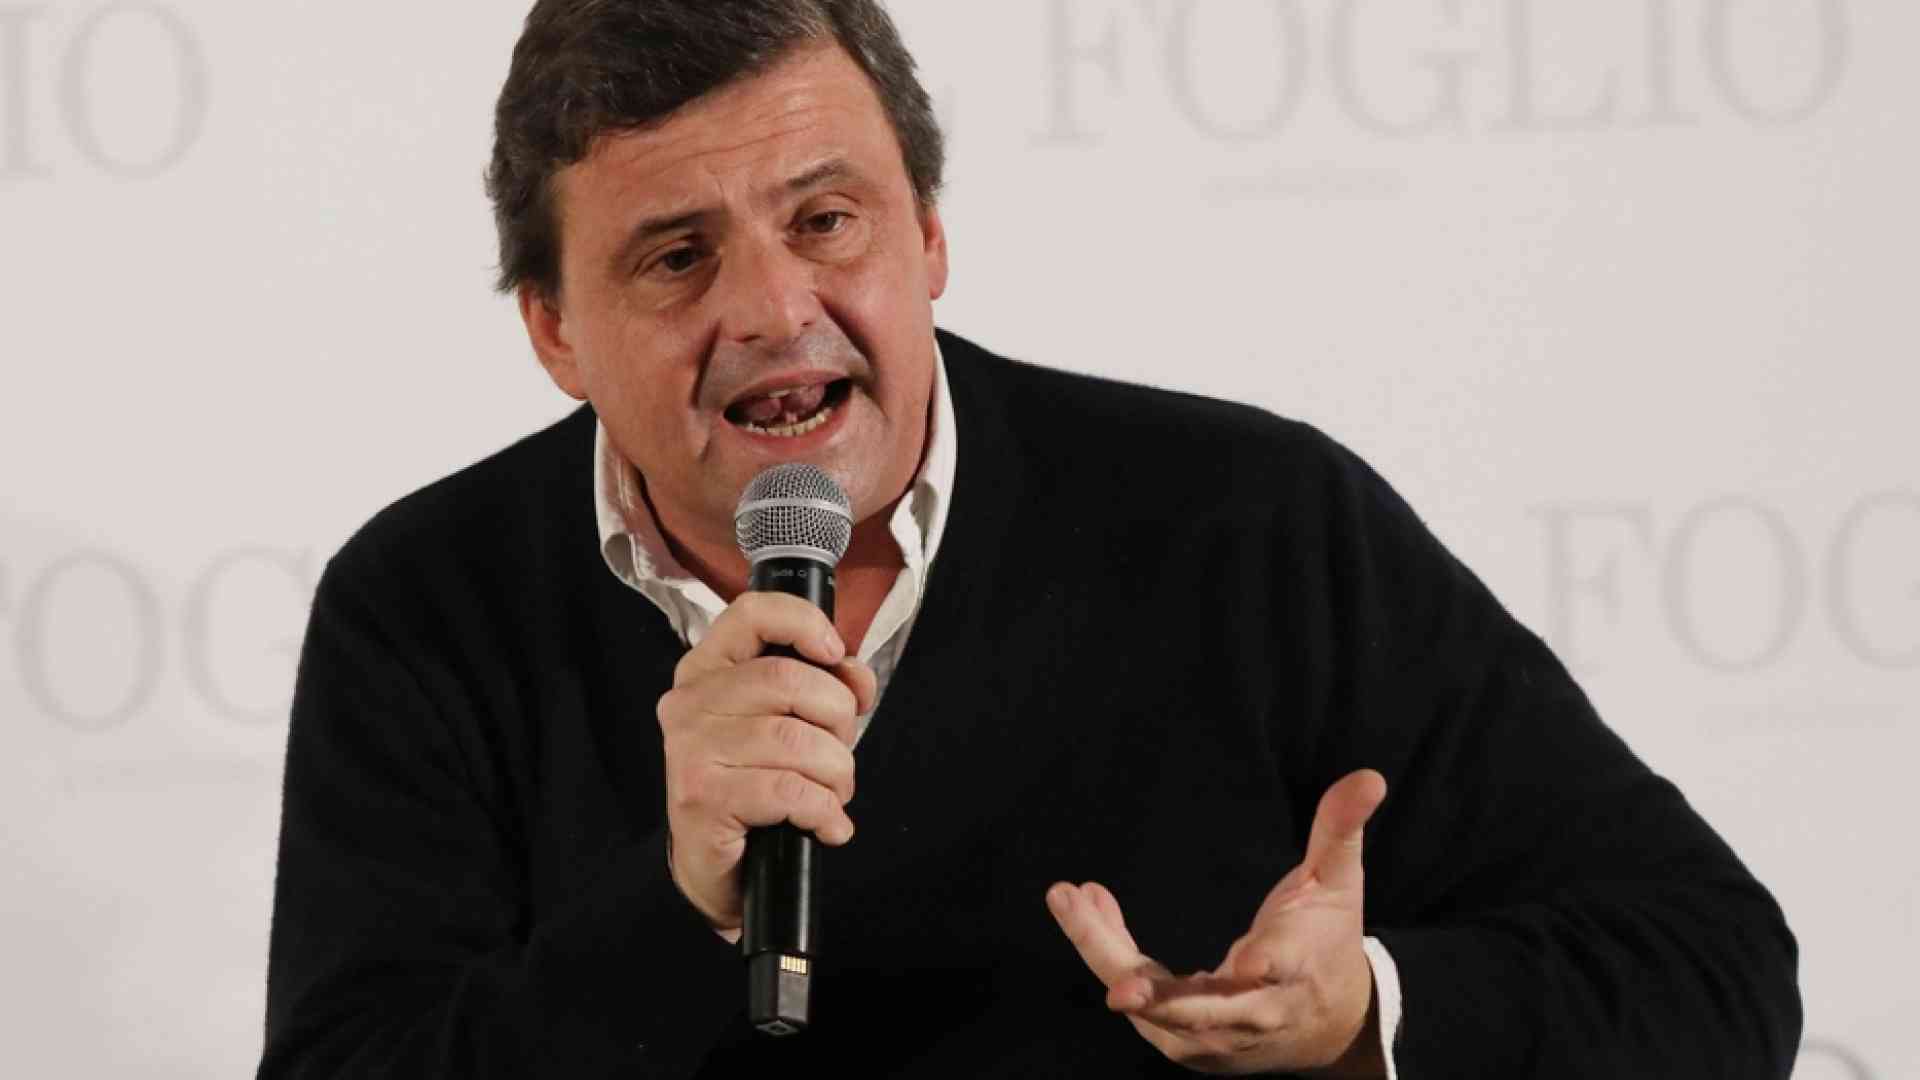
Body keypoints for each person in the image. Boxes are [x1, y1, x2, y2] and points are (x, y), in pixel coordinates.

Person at [255, 2, 1802, 1077]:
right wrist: (674, 907)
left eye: (826, 220)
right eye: (675, 257)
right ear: (553, 332)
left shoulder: (1249, 522)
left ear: (929, 235)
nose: (776, 310)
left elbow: (1712, 972)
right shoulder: (427, 607)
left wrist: (1365, 1019)